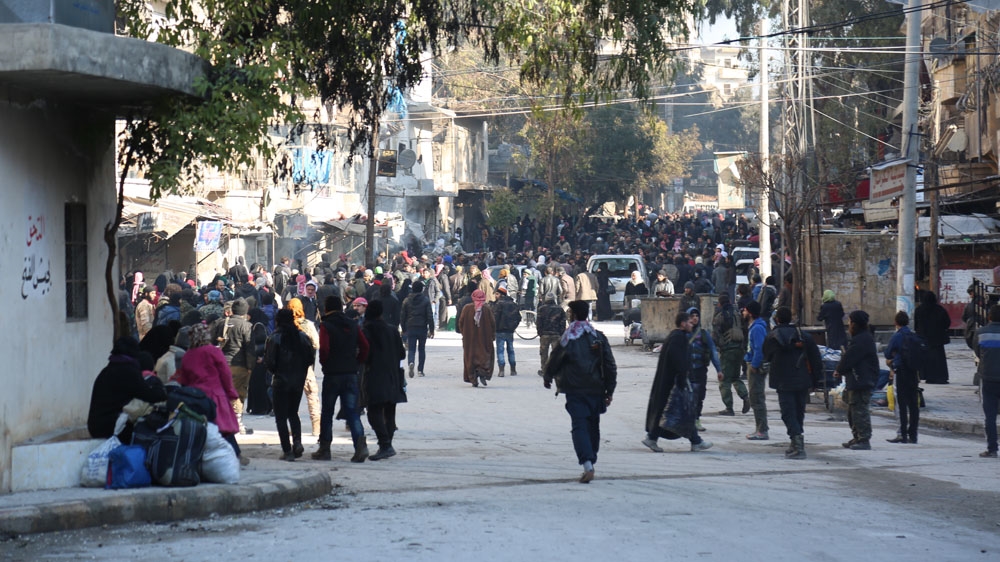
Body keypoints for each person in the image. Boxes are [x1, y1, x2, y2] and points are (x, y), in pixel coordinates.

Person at [543, 301, 617, 483]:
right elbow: (609, 365)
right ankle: (591, 458)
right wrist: (610, 390)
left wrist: (548, 376)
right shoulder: (598, 337)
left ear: (574, 315)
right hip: (596, 388)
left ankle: (587, 463)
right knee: (593, 425)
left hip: (575, 389)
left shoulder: (568, 338)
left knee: (579, 425)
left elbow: (554, 360)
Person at [171, 324, 245, 463]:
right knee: (222, 428)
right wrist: (231, 392)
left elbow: (184, 379)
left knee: (203, 427)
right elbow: (225, 373)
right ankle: (234, 454)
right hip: (215, 395)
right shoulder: (213, 351)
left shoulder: (187, 355)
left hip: (196, 398)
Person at [641, 311, 713, 453]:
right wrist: (683, 378)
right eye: (689, 321)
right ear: (682, 324)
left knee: (679, 411)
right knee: (681, 410)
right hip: (674, 383)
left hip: (671, 382)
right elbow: (678, 361)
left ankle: (694, 440)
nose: (692, 324)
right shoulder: (678, 338)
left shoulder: (676, 336)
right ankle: (694, 441)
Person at [314, 296, 370, 462]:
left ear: (326, 308)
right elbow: (365, 346)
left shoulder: (326, 325)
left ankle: (325, 449)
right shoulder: (352, 324)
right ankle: (360, 446)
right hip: (350, 373)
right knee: (352, 412)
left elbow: (323, 349)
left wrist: (325, 363)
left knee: (327, 412)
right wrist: (357, 361)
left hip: (332, 374)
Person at [763, 306, 823, 459]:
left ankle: (797, 444)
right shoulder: (803, 336)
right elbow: (816, 359)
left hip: (783, 381)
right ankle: (795, 442)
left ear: (777, 319)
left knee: (788, 413)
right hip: (802, 379)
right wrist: (816, 380)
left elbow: (766, 356)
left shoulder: (772, 337)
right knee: (798, 412)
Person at [87, 337, 167, 443]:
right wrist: (162, 390)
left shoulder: (107, 370)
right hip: (111, 428)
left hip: (96, 425)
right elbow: (150, 395)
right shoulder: (128, 371)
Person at [265, 308, 315, 461]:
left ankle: (287, 450)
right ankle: (297, 442)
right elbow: (310, 358)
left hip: (281, 380)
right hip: (298, 381)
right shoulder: (302, 336)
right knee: (293, 413)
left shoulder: (275, 338)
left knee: (281, 417)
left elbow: (270, 362)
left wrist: (276, 371)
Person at [361, 300, 408, 460]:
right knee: (389, 411)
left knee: (374, 412)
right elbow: (402, 353)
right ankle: (386, 445)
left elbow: (364, 354)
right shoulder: (392, 330)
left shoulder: (367, 330)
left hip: (375, 374)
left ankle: (385, 444)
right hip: (393, 375)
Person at [834, 310, 879, 450]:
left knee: (860, 410)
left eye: (850, 322)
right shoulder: (861, 338)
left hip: (862, 379)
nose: (849, 325)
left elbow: (849, 358)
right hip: (856, 379)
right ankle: (857, 437)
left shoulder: (862, 340)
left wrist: (839, 370)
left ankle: (864, 439)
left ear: (855, 324)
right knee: (852, 411)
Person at [219, 298, 256, 435]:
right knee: (238, 395)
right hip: (239, 365)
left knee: (223, 394)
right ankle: (237, 424)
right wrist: (250, 366)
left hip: (222, 364)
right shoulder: (247, 326)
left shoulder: (222, 323)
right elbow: (249, 349)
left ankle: (223, 421)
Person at [286, 298, 322, 436]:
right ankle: (316, 427)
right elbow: (316, 344)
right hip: (305, 366)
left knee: (291, 399)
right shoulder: (308, 324)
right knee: (312, 396)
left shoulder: (284, 325)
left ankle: (293, 427)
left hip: (288, 367)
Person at [884, 311, 920, 444]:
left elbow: (888, 353)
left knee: (901, 404)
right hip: (913, 373)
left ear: (896, 322)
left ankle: (902, 434)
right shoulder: (913, 335)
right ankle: (913, 435)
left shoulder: (897, 336)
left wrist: (892, 359)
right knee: (913, 404)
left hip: (901, 371)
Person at [711, 293, 749, 416]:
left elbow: (715, 334)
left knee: (724, 380)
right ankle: (745, 397)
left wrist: (717, 347)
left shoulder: (720, 316)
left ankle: (729, 407)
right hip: (739, 349)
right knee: (735, 377)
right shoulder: (737, 314)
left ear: (720, 304)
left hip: (727, 350)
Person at [685, 307, 721, 431]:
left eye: (697, 315)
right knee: (685, 395)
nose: (695, 318)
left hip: (700, 370)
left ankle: (696, 420)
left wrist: (719, 370)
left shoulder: (704, 334)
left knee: (699, 396)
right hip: (686, 371)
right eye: (692, 315)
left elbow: (713, 352)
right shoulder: (683, 333)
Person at [974, 304, 1000, 458]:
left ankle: (992, 448)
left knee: (989, 416)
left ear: (989, 317)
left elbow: (977, 352)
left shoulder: (981, 332)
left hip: (988, 377)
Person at [458, 289, 496, 387]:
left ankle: (473, 378)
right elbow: (492, 323)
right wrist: (492, 336)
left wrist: (464, 333)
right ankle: (482, 372)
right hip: (484, 339)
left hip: (469, 340)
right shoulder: (486, 309)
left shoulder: (467, 308)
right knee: (484, 356)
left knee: (470, 357)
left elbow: (461, 322)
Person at [743, 301, 770, 440]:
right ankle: (760, 428)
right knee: (755, 397)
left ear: (750, 312)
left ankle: (762, 430)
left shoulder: (757, 328)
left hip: (756, 367)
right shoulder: (755, 326)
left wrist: (754, 364)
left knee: (757, 397)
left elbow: (759, 348)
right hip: (753, 363)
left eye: (745, 310)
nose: (743, 312)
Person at [913, 291, 951, 384]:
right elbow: (947, 323)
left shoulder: (919, 310)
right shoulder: (940, 309)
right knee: (939, 359)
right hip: (938, 339)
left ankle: (927, 376)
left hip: (924, 339)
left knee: (926, 359)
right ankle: (941, 377)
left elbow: (915, 325)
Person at [400, 280, 434, 378]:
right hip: (422, 327)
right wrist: (431, 329)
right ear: (422, 289)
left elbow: (402, 316)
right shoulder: (426, 300)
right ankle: (420, 370)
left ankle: (411, 362)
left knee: (411, 348)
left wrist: (403, 328)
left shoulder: (406, 300)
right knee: (422, 349)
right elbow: (430, 316)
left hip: (410, 326)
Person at [491, 285, 521, 376]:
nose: (495, 296)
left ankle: (501, 370)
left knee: (500, 350)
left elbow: (494, 318)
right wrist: (513, 327)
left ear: (501, 294)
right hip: (510, 331)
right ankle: (513, 369)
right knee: (511, 349)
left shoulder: (498, 304)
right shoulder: (513, 304)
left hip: (500, 331)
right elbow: (518, 317)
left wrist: (494, 327)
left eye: (497, 294)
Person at [536, 294, 567, 377]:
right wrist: (561, 332)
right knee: (556, 353)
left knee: (543, 353)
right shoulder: (560, 309)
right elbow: (563, 321)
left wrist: (540, 332)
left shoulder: (541, 309)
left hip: (545, 334)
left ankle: (544, 370)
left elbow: (538, 322)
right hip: (556, 334)